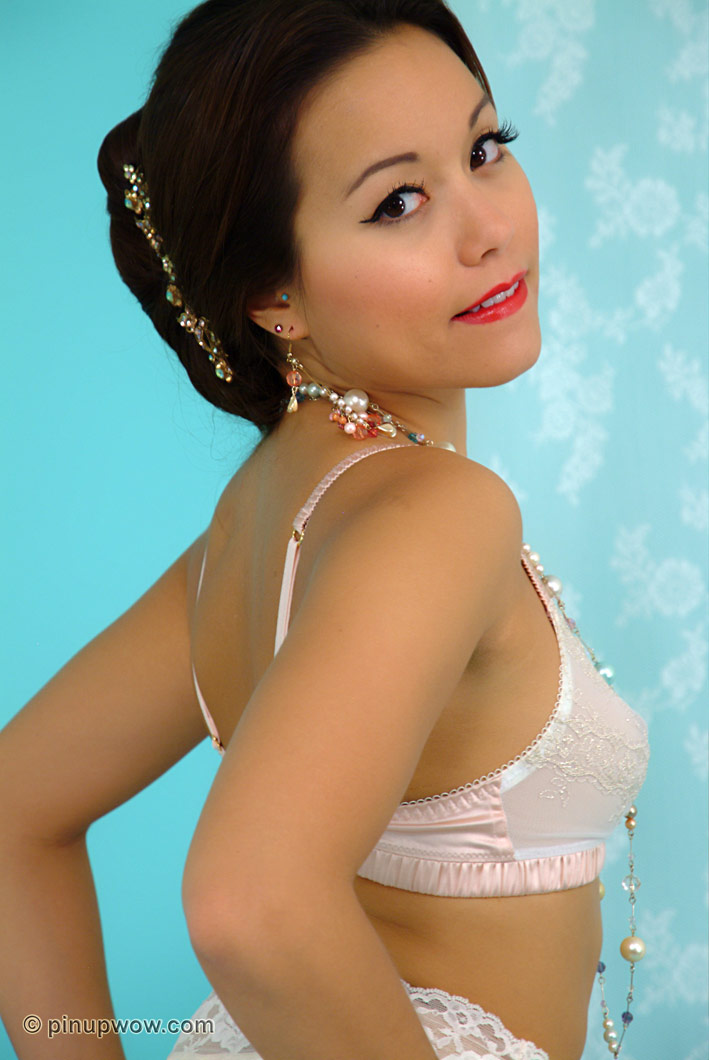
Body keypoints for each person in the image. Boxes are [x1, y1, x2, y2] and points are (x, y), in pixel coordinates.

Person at [0, 1, 650, 1058]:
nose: (486, 227)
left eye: (483, 149)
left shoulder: (257, 525)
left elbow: (13, 810)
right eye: (398, 202)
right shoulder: (435, 511)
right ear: (275, 297)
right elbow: (247, 901)